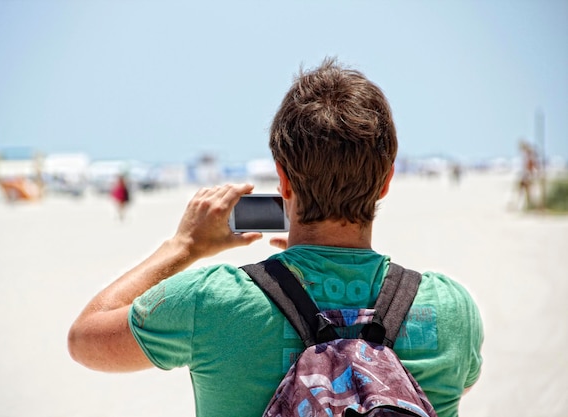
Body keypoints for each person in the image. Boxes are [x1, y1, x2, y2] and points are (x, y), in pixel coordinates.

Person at [68, 59, 483, 417]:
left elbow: (85, 339)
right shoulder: (451, 309)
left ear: (283, 179)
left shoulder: (215, 299)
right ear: (387, 180)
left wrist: (184, 247)